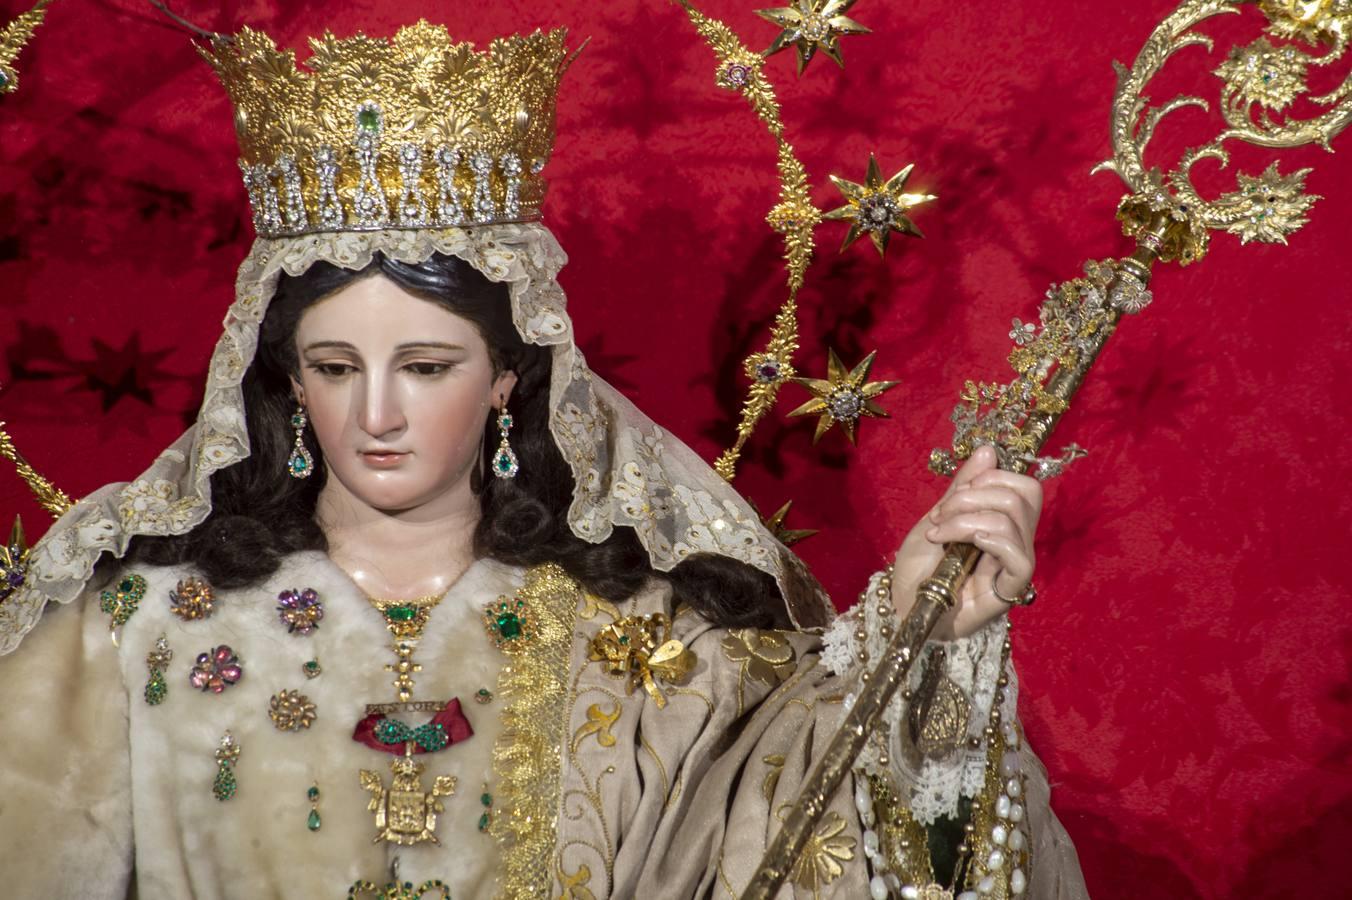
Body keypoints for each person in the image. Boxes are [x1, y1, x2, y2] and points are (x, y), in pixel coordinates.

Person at [0, 20, 1088, 900]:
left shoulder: (659, 648)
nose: (376, 412)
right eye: (334, 367)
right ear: (282, 381)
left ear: (509, 379)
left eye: (426, 367)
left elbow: (825, 828)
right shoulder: (132, 633)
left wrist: (922, 644)